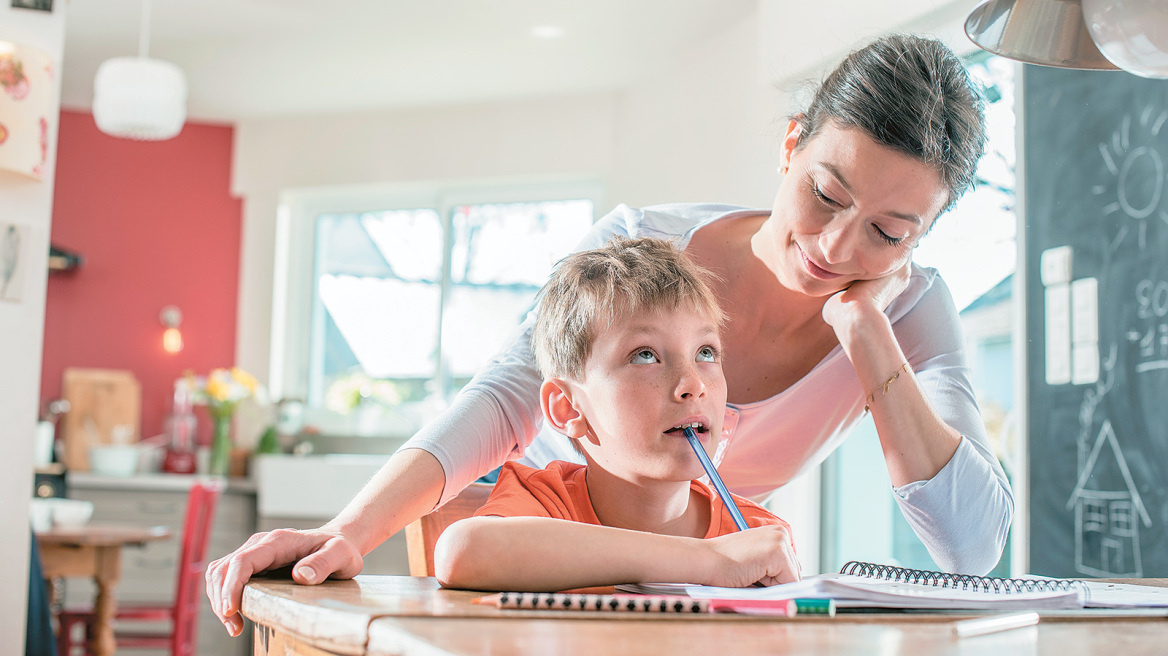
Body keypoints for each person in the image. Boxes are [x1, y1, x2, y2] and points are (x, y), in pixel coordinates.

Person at [207, 33, 1013, 637]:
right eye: (827, 195)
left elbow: (973, 551)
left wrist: (868, 334)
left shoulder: (908, 313)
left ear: (923, 236)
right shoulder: (644, 246)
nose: (839, 249)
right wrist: (348, 532)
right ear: (792, 144)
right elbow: (506, 399)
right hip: (538, 554)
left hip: (680, 590)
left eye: (889, 232)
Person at [435, 237, 797, 591]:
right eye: (645, 355)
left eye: (705, 352)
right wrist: (709, 561)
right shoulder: (544, 503)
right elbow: (463, 552)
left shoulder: (755, 535)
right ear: (567, 407)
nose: (692, 383)